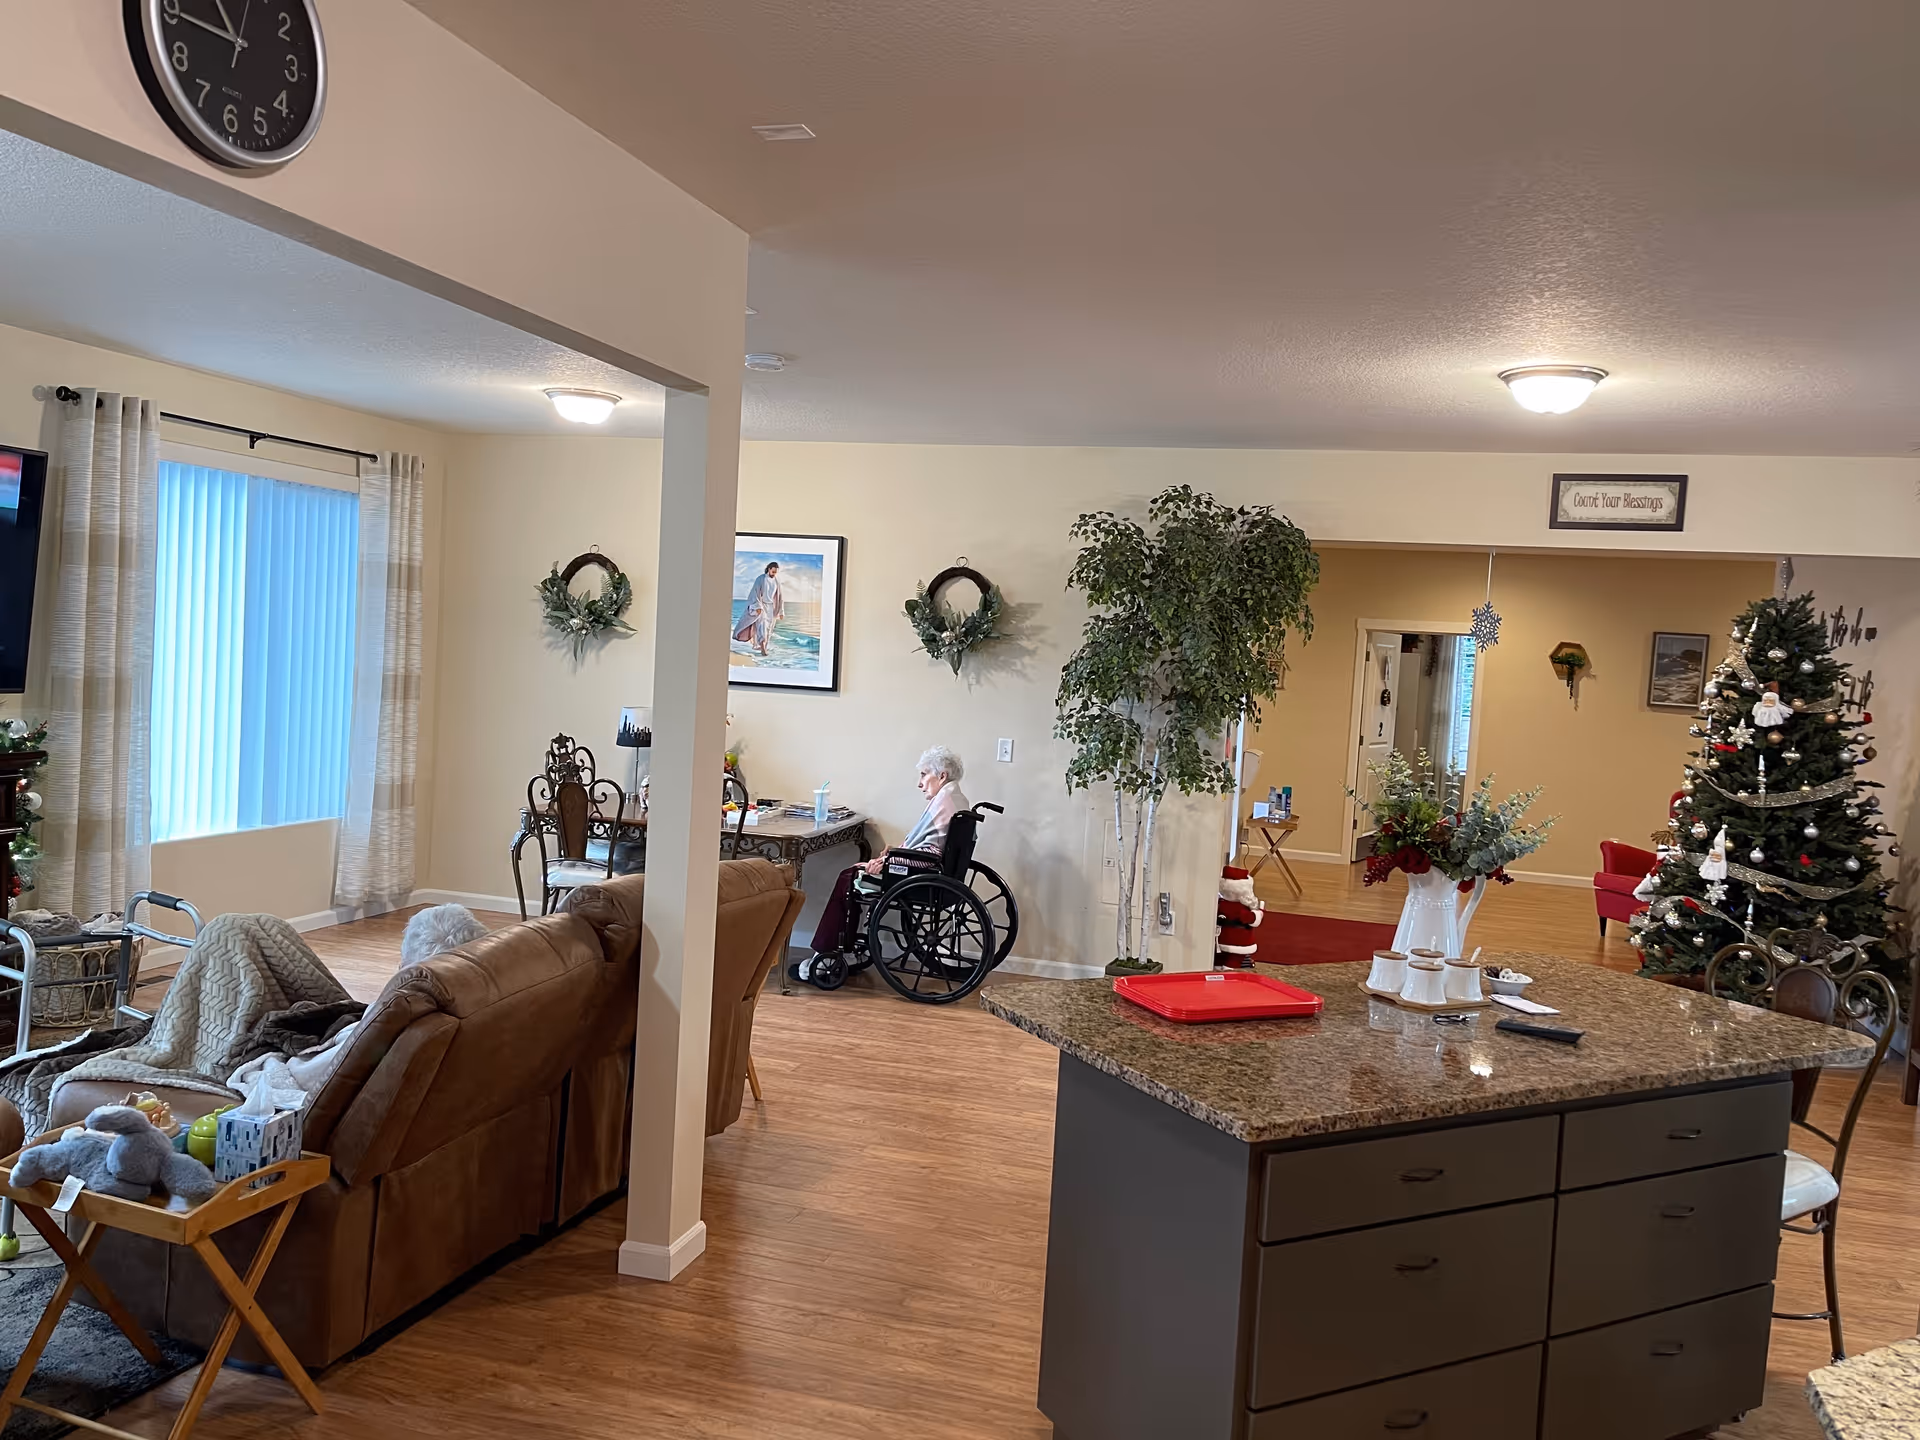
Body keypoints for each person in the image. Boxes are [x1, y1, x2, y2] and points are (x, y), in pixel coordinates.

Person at [795, 746, 969, 978]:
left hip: (921, 877)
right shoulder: (955, 799)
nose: (920, 783)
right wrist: (895, 854)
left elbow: (931, 854)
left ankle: (827, 953)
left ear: (942, 776)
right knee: (852, 875)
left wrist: (890, 862)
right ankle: (843, 949)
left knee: (849, 878)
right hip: (934, 873)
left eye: (924, 774)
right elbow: (931, 849)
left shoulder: (944, 803)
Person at [732, 560, 784, 656]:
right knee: (762, 626)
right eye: (773, 572)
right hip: (761, 605)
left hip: (771, 608)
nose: (774, 574)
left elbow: (780, 597)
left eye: (776, 572)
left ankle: (763, 645)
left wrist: (780, 611)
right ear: (769, 569)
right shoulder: (761, 579)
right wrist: (757, 606)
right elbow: (755, 593)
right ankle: (763, 649)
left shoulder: (777, 581)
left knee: (768, 628)